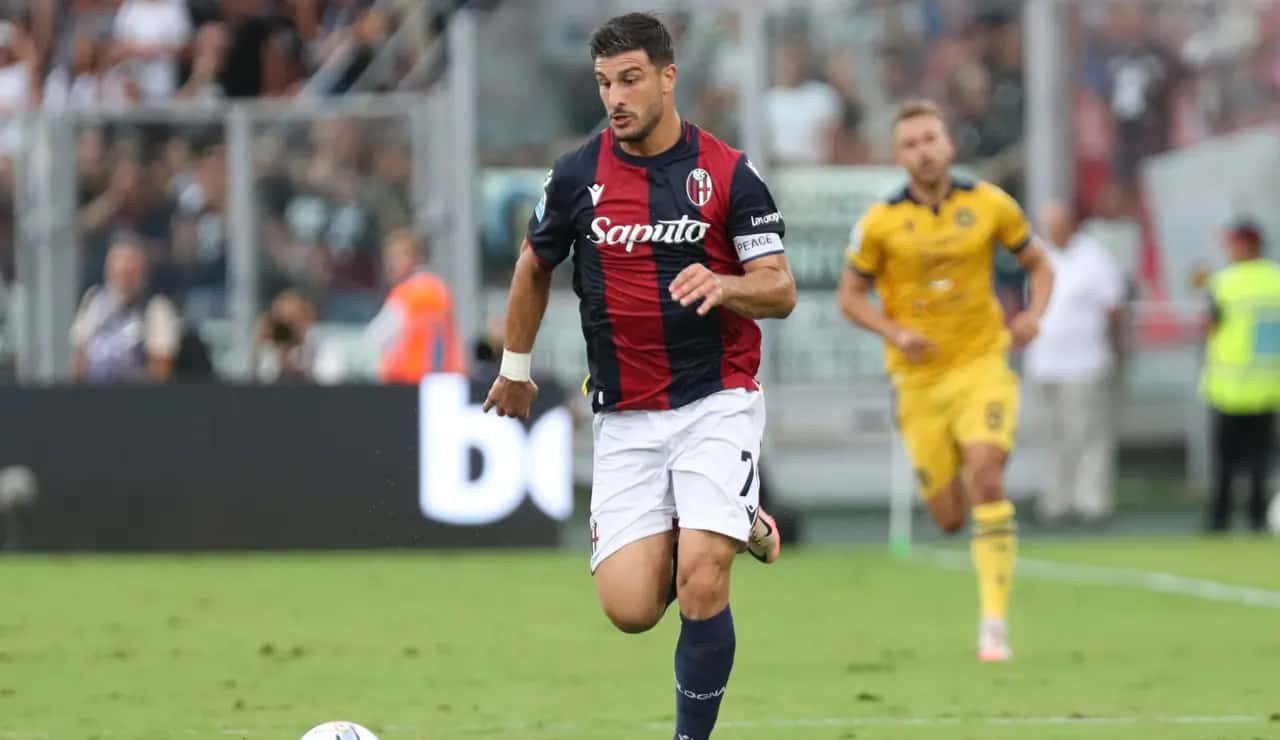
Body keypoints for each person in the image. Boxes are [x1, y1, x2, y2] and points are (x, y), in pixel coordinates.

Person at [482, 14, 793, 740]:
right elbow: (534, 266)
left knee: (702, 579)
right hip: (625, 413)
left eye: (628, 80)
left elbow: (778, 289)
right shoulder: (576, 176)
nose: (615, 97)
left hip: (716, 398)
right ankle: (733, 515)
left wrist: (726, 285)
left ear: (666, 78)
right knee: (629, 610)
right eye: (603, 84)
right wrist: (516, 369)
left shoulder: (726, 173)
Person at [838, 99, 1053, 663]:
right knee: (950, 516)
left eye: (931, 138)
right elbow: (850, 296)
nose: (924, 151)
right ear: (898, 155)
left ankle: (994, 625)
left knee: (987, 472)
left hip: (982, 363)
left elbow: (1040, 264)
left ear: (949, 143)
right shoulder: (880, 222)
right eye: (911, 144)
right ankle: (949, 468)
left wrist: (1033, 314)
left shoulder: (988, 204)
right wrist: (893, 331)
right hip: (917, 382)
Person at [1024, 201, 1126, 525]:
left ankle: (1091, 502)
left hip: (1085, 361)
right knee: (1051, 435)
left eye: (1055, 223)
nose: (1049, 230)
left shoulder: (1095, 258)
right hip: (1044, 361)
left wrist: (1113, 347)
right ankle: (1056, 502)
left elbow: (1113, 308)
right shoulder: (1038, 256)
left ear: (1071, 223)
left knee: (1088, 434)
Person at [1201, 220, 1280, 533]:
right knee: (1261, 461)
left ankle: (1220, 519)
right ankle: (1257, 518)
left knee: (1225, 463)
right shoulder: (1276, 279)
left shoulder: (1224, 282)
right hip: (1267, 385)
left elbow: (1210, 326)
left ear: (1247, 245)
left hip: (1229, 387)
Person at [71, 238, 181, 384]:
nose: (123, 274)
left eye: (130, 269)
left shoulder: (156, 307)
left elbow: (161, 370)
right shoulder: (93, 299)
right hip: (92, 394)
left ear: (142, 271)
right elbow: (79, 357)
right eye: (118, 267)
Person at [365, 228, 465, 385]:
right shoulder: (439, 289)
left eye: (398, 256)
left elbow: (375, 338)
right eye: (389, 257)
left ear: (416, 257)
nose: (391, 264)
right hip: (446, 381)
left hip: (409, 383)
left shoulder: (406, 295)